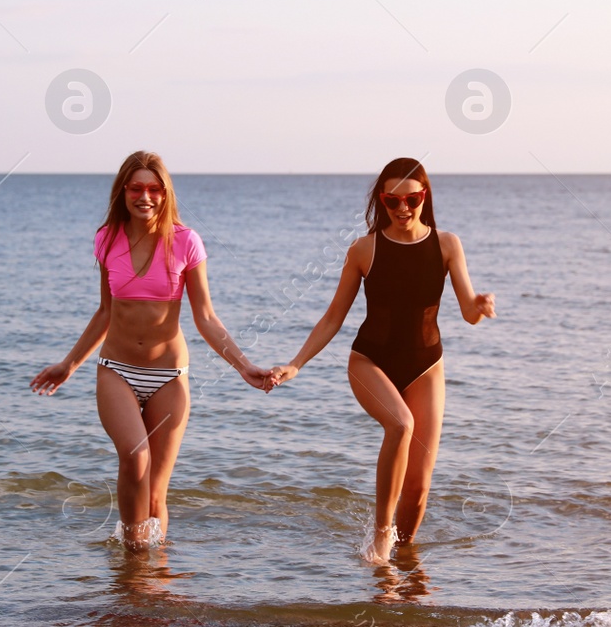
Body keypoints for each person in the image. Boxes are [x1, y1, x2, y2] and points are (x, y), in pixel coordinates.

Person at [31, 151, 272, 550]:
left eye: (154, 189)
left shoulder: (186, 242)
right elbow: (105, 311)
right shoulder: (106, 238)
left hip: (169, 377)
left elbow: (206, 317)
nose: (145, 196)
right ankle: (132, 553)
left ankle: (151, 577)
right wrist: (69, 363)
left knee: (157, 493)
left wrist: (243, 366)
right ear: (123, 191)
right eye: (137, 188)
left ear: (165, 193)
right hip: (117, 370)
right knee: (135, 456)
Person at [271, 158, 495, 564]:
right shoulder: (364, 249)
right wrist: (296, 364)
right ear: (382, 201)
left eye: (412, 198)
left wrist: (479, 306)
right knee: (401, 424)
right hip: (369, 361)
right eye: (393, 201)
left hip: (426, 367)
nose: (403, 208)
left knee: (419, 488)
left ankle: (403, 567)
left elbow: (467, 311)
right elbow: (333, 316)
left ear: (425, 197)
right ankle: (379, 536)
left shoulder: (447, 245)